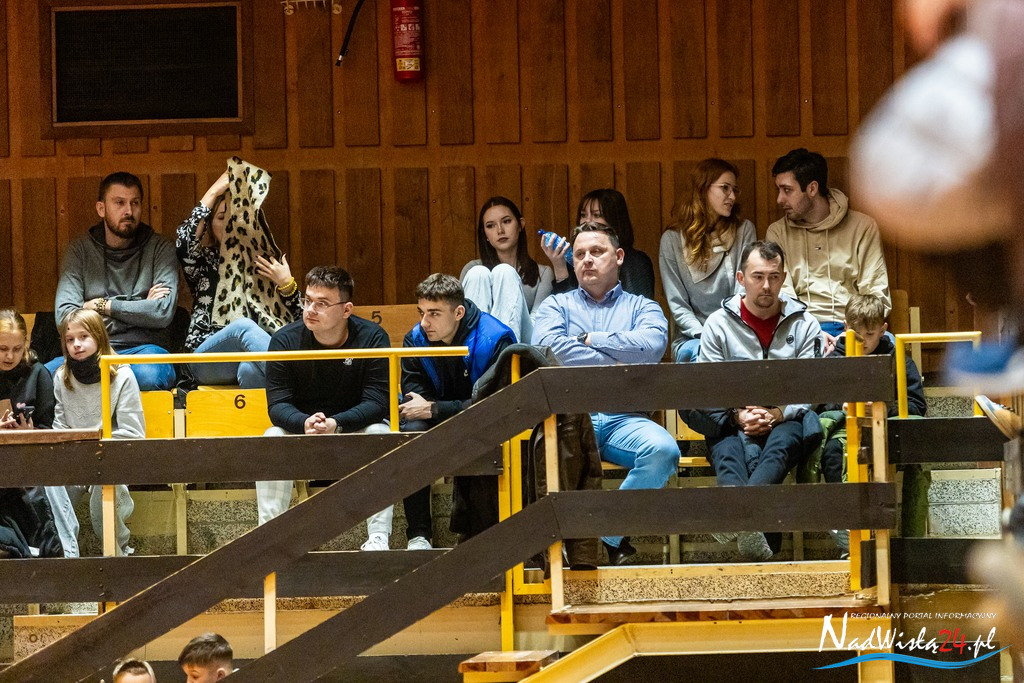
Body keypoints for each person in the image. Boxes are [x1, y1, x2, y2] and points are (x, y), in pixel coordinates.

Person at [533, 222, 679, 564]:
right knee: (542, 458)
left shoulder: (643, 307)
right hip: (569, 418)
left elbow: (651, 346)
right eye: (579, 254)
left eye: (596, 252)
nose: (586, 259)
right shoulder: (556, 306)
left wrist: (591, 340)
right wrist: (617, 362)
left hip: (623, 418)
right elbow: (548, 349)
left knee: (664, 451)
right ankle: (557, 548)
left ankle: (606, 534)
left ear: (619, 256)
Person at [695, 241, 823, 561]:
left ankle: (736, 517)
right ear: (741, 278)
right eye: (758, 276)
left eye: (774, 277)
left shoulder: (805, 323)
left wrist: (778, 413)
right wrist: (738, 415)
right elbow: (709, 386)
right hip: (731, 416)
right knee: (727, 452)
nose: (767, 285)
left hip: (786, 416)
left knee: (780, 447)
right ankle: (752, 527)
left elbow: (811, 386)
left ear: (783, 278)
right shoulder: (718, 324)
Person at [260, 266, 394, 551]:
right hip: (304, 431)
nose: (310, 309)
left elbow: (378, 402)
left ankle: (379, 537)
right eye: (308, 300)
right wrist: (304, 422)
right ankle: (269, 542)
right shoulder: (284, 340)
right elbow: (278, 405)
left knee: (380, 432)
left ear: (346, 310)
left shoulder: (373, 338)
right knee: (272, 436)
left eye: (322, 303)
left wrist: (336, 423)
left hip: (353, 429)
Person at [399, 273, 516, 549]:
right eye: (421, 312)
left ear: (458, 312)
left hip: (483, 418)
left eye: (434, 313)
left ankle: (485, 533)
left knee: (486, 431)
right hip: (440, 414)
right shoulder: (415, 338)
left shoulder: (495, 338)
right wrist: (433, 409)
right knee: (411, 433)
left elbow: (494, 402)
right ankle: (418, 535)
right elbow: (414, 396)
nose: (424, 322)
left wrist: (435, 409)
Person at [176, 162, 300, 389]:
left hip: (254, 357)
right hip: (206, 359)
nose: (229, 225)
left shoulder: (265, 262)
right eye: (222, 217)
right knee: (244, 327)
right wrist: (214, 191)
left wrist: (287, 286)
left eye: (236, 217)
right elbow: (184, 242)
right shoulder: (204, 260)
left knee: (250, 371)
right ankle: (304, 384)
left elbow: (301, 323)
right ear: (210, 224)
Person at [51, 172, 178, 391]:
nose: (129, 211)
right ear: (101, 209)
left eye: (135, 203)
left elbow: (162, 312)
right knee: (45, 377)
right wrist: (141, 311)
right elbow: (65, 318)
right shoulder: (79, 251)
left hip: (143, 350)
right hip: (90, 352)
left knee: (150, 376)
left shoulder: (160, 248)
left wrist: (101, 306)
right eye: (119, 203)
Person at [766, 149, 890, 350]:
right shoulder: (777, 232)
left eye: (787, 190)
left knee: (892, 352)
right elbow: (782, 293)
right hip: (801, 328)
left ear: (812, 188)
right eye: (778, 190)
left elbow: (875, 291)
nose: (779, 199)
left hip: (854, 326)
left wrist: (851, 333)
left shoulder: (863, 227)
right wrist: (810, 331)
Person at [53, 309, 145, 557]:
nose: (76, 344)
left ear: (99, 337)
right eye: (70, 339)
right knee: (52, 486)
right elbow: (60, 427)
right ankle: (63, 554)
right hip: (74, 458)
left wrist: (95, 449)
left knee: (104, 486)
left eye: (83, 336)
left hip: (111, 458)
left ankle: (117, 551)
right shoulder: (61, 377)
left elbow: (133, 433)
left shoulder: (123, 374)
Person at [0, 309, 80, 558]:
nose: (10, 356)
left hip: (30, 462)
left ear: (26, 344)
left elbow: (49, 429)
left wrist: (30, 433)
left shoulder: (38, 373)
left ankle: (54, 552)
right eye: (2, 349)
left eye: (17, 348)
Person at [660, 158, 756, 362]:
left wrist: (725, 335)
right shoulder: (672, 239)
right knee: (703, 358)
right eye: (725, 188)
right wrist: (706, 336)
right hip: (692, 337)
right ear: (703, 189)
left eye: (734, 190)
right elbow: (678, 304)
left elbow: (742, 293)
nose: (732, 196)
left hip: (735, 332)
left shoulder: (744, 230)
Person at [460, 197, 554, 344]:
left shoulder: (543, 273)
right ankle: (476, 351)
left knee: (505, 272)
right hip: (477, 344)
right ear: (485, 234)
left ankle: (505, 350)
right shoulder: (471, 269)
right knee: (478, 273)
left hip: (523, 342)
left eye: (506, 221)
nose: (500, 230)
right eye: (490, 226)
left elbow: (538, 326)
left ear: (520, 225)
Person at [543, 189, 657, 300]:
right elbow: (563, 307)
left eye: (597, 215)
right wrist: (559, 266)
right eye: (583, 215)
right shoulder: (575, 261)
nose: (587, 221)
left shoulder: (636, 262)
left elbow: (641, 306)